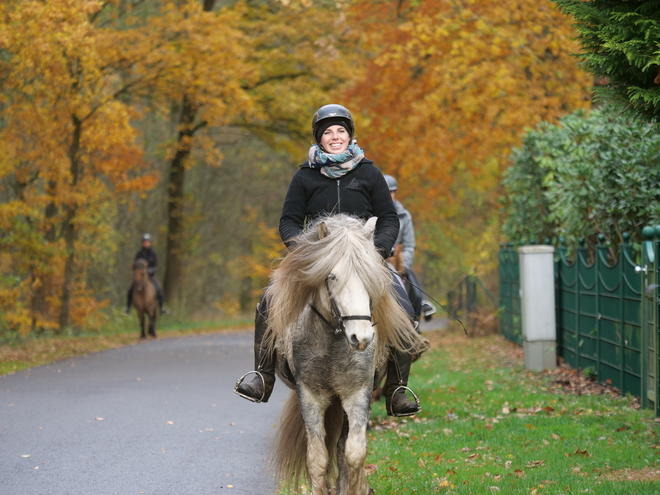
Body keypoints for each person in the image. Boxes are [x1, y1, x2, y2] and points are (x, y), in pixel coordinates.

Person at [234, 104, 422, 417]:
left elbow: (389, 218)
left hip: (362, 259)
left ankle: (397, 388)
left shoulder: (369, 173)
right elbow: (289, 221)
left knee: (402, 302)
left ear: (350, 136)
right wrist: (304, 250)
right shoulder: (304, 176)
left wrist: (379, 249)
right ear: (320, 139)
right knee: (269, 299)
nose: (335, 137)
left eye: (341, 131)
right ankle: (262, 376)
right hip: (317, 260)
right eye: (328, 132)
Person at [383, 175, 437, 323]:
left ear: (395, 193)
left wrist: (403, 266)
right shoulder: (371, 213)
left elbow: (409, 245)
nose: (388, 196)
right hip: (377, 260)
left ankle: (422, 305)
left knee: (412, 283)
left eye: (391, 192)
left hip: (398, 261)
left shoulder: (404, 216)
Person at [122, 233, 170, 316]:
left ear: (150, 243)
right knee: (131, 288)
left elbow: (156, 265)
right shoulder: (139, 254)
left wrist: (150, 270)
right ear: (142, 243)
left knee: (159, 287)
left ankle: (162, 307)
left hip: (150, 276)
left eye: (148, 242)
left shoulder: (153, 254)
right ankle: (128, 308)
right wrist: (136, 270)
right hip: (140, 276)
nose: (146, 243)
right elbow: (134, 264)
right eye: (145, 242)